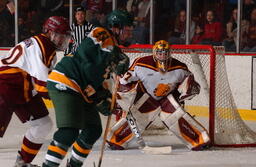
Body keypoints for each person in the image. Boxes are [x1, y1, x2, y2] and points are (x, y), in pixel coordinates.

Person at [42, 9, 134, 167]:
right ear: (116, 27)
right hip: (67, 80)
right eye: (127, 30)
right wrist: (111, 56)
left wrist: (104, 97)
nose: (130, 34)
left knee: (93, 129)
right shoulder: (102, 33)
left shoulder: (113, 49)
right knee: (68, 131)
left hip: (81, 88)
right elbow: (86, 58)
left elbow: (99, 78)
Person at [106, 40, 210, 151]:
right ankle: (115, 139)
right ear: (154, 52)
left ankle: (200, 139)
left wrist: (189, 89)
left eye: (165, 53)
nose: (162, 56)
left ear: (170, 53)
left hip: (168, 99)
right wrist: (122, 97)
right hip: (147, 98)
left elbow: (191, 84)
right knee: (138, 118)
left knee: (177, 117)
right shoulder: (141, 63)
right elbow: (124, 81)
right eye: (160, 53)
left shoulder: (180, 68)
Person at [0, 16, 71, 167]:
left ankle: (22, 162)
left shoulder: (47, 47)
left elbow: (43, 82)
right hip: (5, 88)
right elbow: (43, 86)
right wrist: (66, 100)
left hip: (23, 90)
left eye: (64, 36)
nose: (62, 40)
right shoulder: (43, 47)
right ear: (49, 32)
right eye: (59, 35)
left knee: (43, 124)